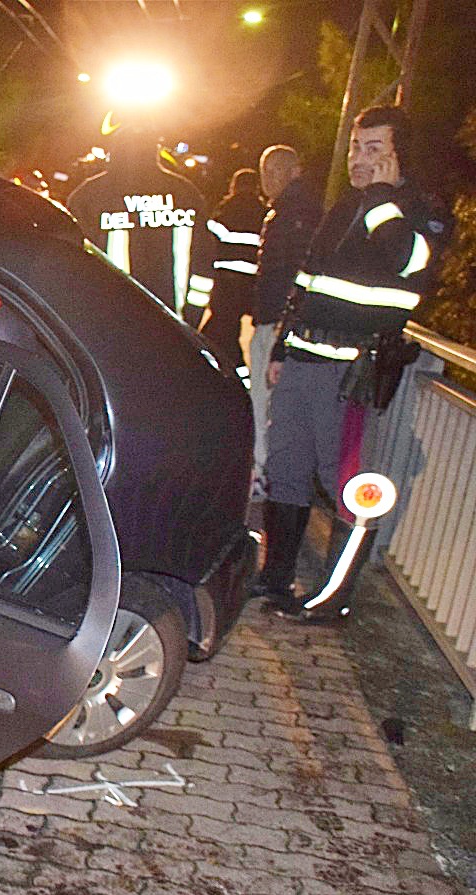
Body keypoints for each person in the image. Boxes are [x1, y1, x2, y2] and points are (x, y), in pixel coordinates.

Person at [254, 106, 451, 623]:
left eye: (374, 150)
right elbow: (311, 277)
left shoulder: (418, 206)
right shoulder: (347, 202)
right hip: (305, 358)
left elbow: (410, 263)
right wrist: (283, 346)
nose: (358, 160)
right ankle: (276, 577)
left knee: (342, 482)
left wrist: (383, 201)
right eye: (355, 147)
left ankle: (334, 596)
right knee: (286, 468)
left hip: (352, 372)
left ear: (398, 155)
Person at [66, 124, 212, 318]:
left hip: (111, 326)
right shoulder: (185, 193)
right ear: (155, 150)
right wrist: (193, 317)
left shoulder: (88, 197)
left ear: (114, 151)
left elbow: (70, 266)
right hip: (174, 327)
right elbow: (205, 260)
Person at [246, 146, 322, 499]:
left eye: (277, 170)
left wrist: (277, 320)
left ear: (295, 172)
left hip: (277, 321)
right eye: (266, 170)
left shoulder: (293, 214)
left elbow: (286, 273)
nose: (270, 178)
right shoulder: (299, 210)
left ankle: (262, 475)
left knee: (265, 400)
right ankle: (274, 475)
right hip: (279, 319)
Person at [194, 168, 264, 376]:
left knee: (211, 336)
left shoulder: (227, 209)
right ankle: (236, 379)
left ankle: (226, 380)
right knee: (225, 334)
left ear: (234, 186)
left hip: (226, 283)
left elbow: (209, 245)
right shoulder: (264, 212)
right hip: (249, 285)